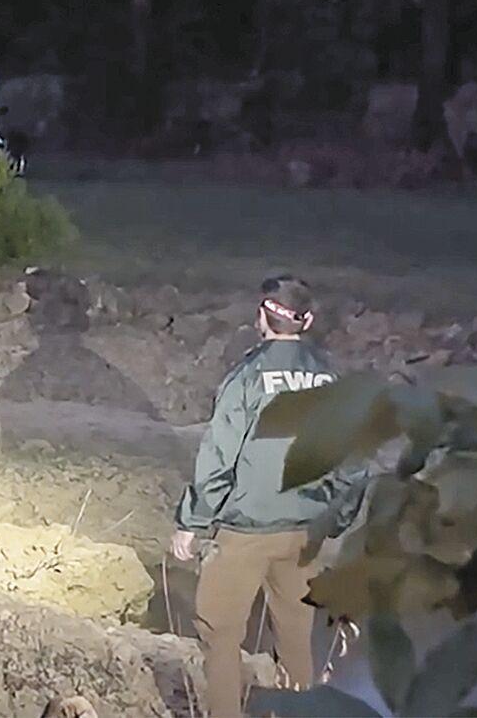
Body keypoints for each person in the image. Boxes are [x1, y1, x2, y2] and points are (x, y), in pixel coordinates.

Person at [171, 275, 364, 718]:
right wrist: (336, 518)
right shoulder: (331, 379)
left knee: (220, 634)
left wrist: (192, 523)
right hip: (305, 533)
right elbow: (354, 462)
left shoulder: (246, 377)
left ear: (261, 315)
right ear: (308, 320)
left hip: (245, 531)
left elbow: (219, 457)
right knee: (297, 638)